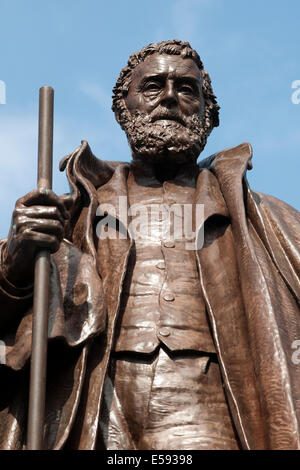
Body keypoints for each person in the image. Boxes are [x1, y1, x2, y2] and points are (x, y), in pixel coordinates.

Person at [0, 40, 299, 450]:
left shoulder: (263, 218)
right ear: (125, 111)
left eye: (187, 89)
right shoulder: (78, 210)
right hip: (91, 397)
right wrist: (13, 262)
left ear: (209, 115)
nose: (170, 99)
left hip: (203, 401)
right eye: (154, 87)